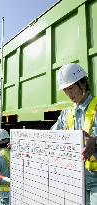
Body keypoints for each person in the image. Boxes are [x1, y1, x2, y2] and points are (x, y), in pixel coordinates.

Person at [51, 63, 97, 205]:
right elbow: (49, 136)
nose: (69, 94)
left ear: (83, 83)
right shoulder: (66, 114)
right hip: (75, 182)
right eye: (65, 90)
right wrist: (20, 143)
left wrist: (94, 140)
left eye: (71, 88)